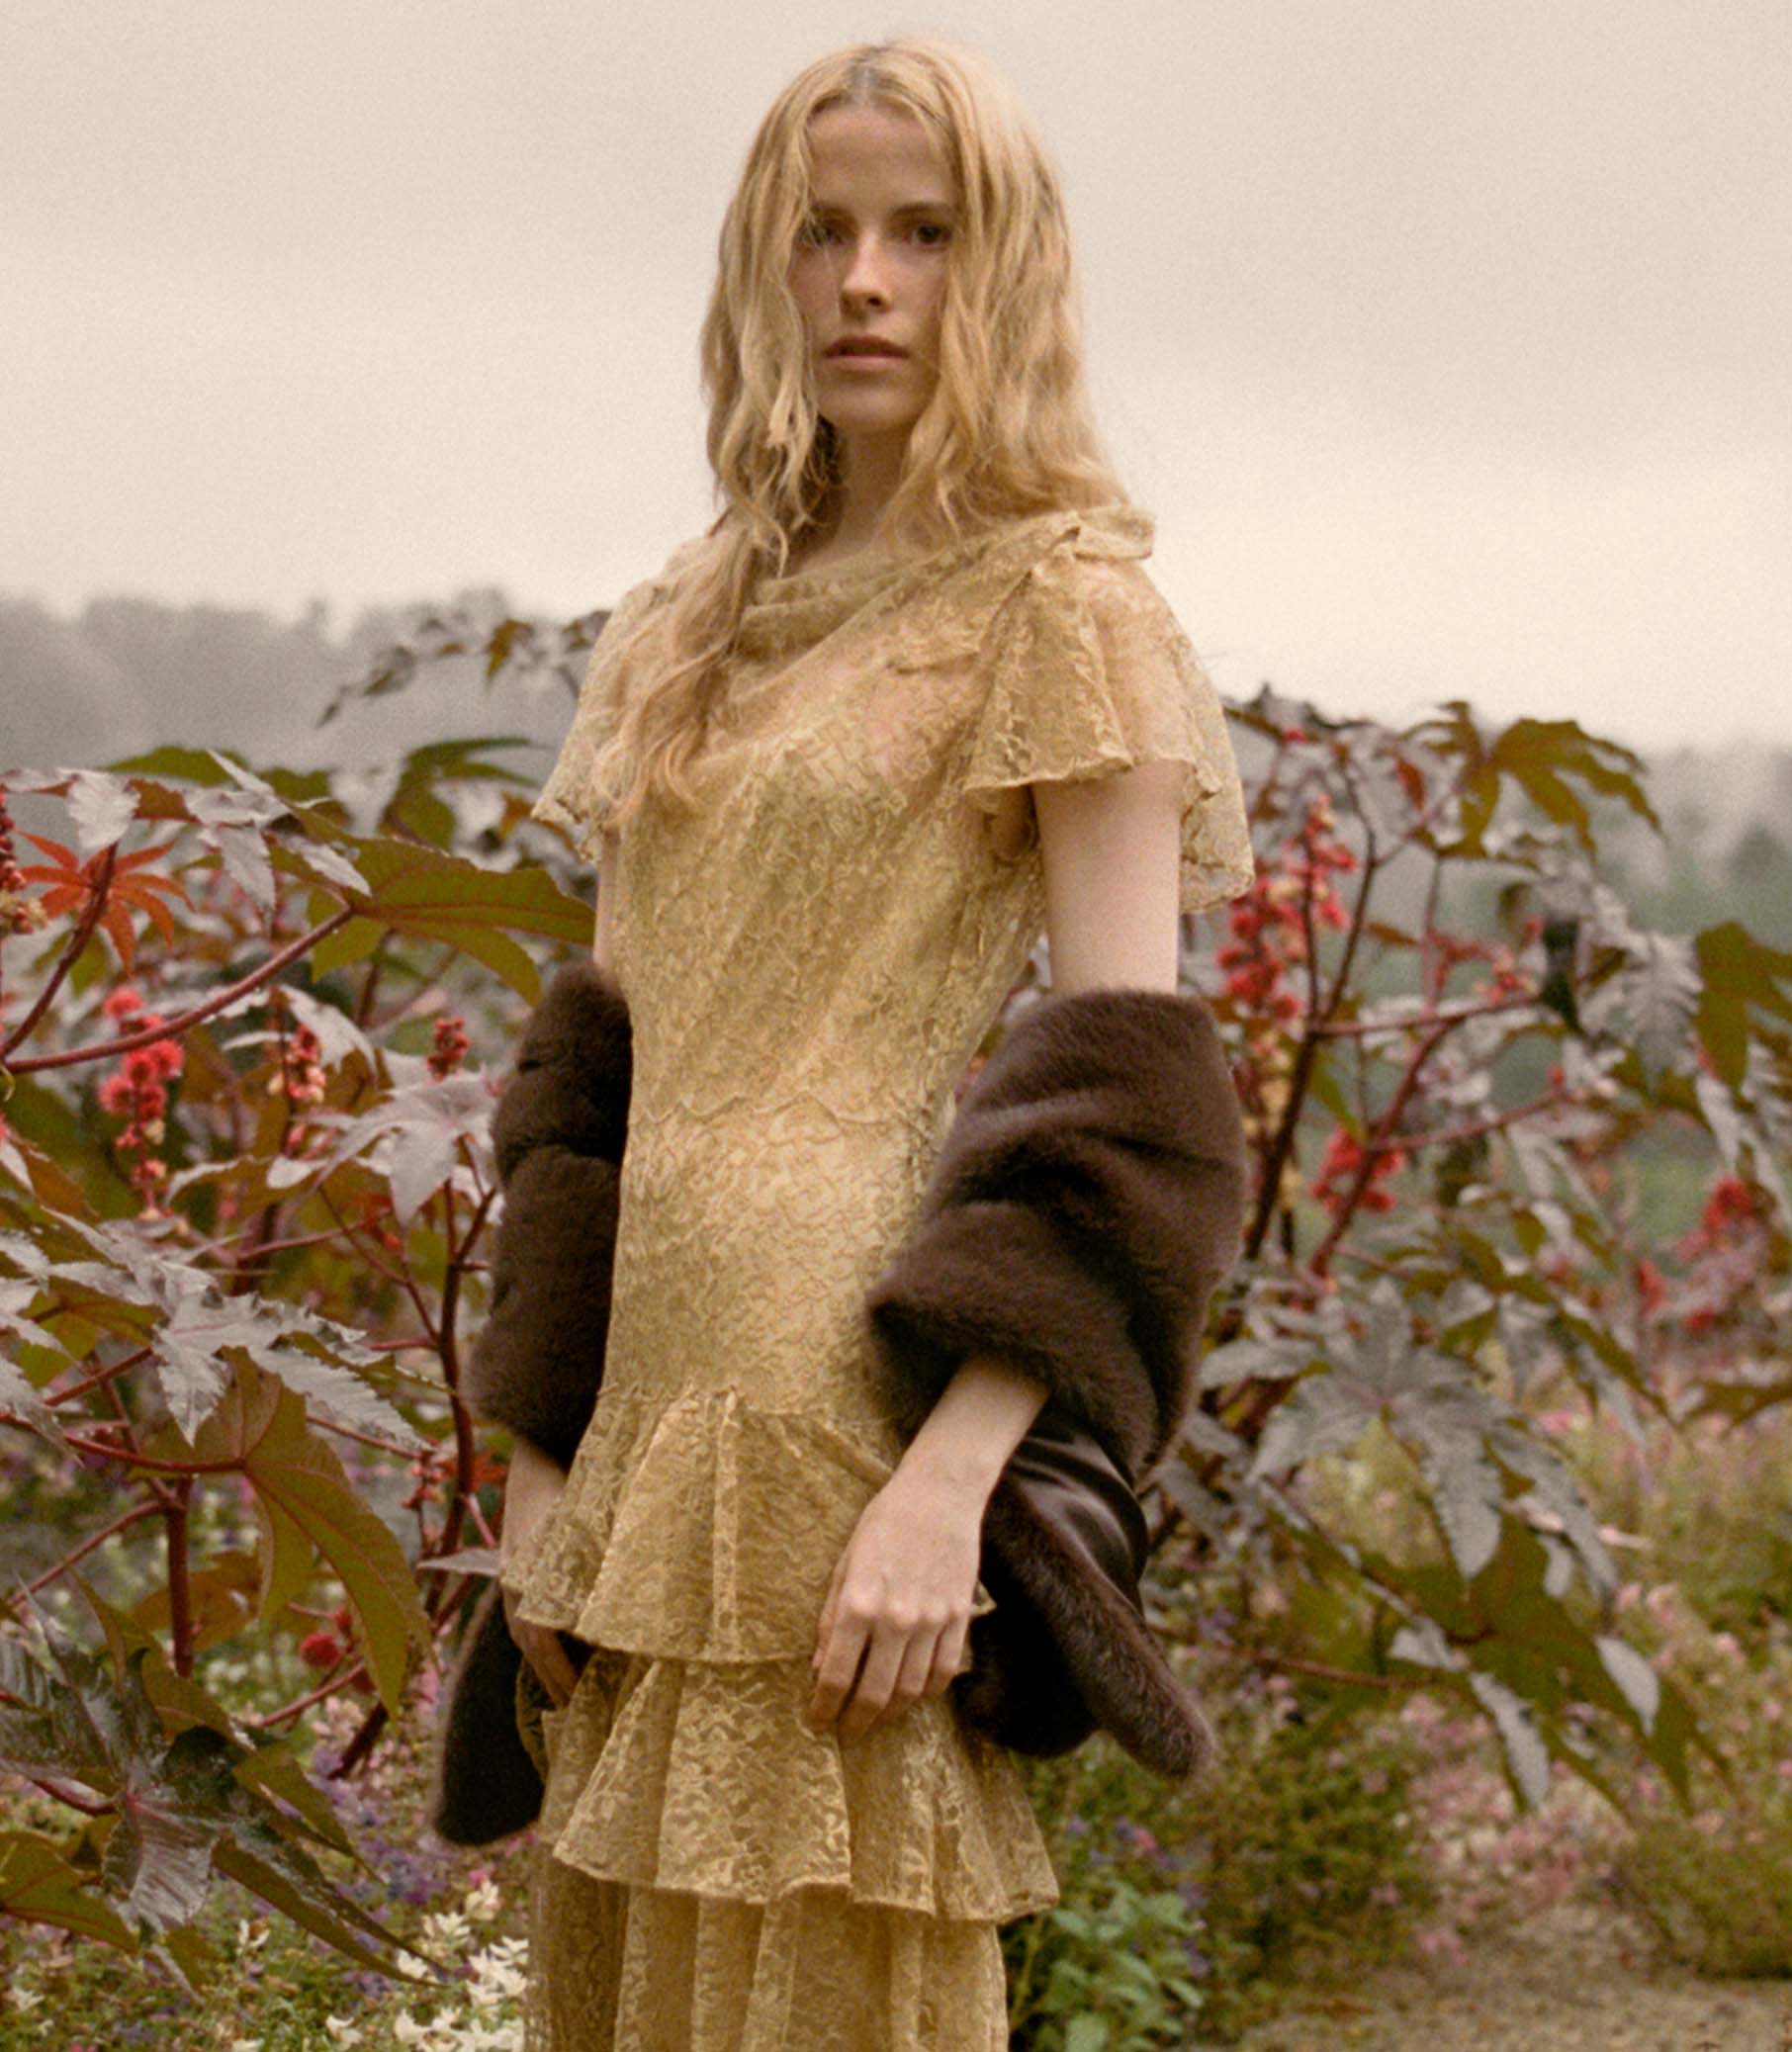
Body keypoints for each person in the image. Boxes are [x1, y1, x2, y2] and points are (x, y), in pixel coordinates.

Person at [493, 35, 1255, 2050]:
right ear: (763, 265)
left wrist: (953, 1480)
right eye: (821, 234)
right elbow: (591, 1081)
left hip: (854, 1440)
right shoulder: (681, 625)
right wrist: (531, 1460)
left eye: (924, 235)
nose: (864, 282)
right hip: (647, 1453)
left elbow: (1132, 1102)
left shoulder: (1061, 608)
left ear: (1000, 270)